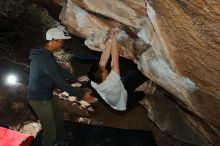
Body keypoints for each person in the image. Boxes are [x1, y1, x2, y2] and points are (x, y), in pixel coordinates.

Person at [28, 27, 95, 146]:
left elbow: (58, 69)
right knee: (50, 130)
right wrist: (81, 96)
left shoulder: (46, 53)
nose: (62, 45)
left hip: (47, 94)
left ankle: (60, 141)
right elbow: (61, 83)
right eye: (61, 42)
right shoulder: (44, 58)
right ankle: (50, 142)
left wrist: (76, 78)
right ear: (52, 40)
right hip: (39, 99)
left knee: (58, 118)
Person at [87, 29, 147, 111]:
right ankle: (134, 96)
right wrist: (115, 37)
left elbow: (104, 57)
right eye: (103, 69)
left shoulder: (94, 81)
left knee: (139, 75)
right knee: (141, 94)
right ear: (103, 76)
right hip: (123, 103)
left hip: (120, 88)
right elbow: (115, 58)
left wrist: (111, 40)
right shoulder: (113, 81)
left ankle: (129, 88)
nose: (103, 66)